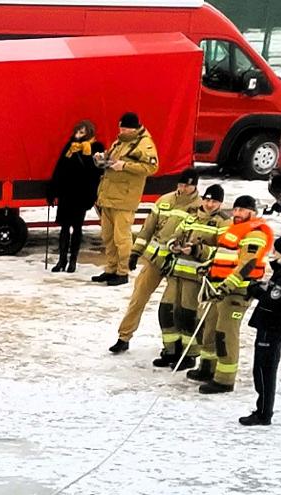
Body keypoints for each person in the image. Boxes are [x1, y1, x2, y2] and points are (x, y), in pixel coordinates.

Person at [109, 176, 202, 356]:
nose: (183, 188)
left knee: (173, 306)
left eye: (187, 185)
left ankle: (174, 346)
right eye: (181, 184)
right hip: (154, 260)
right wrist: (136, 252)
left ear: (195, 186)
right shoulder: (165, 200)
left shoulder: (200, 206)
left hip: (178, 265)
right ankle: (124, 337)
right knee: (138, 299)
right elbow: (148, 228)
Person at [195, 195, 274, 394]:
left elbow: (247, 264)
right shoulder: (233, 229)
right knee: (209, 328)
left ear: (252, 213)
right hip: (218, 289)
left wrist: (228, 285)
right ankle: (207, 367)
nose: (237, 214)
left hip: (236, 292)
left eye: (242, 210)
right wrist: (207, 267)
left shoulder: (255, 234)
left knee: (225, 334)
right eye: (235, 209)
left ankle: (224, 379)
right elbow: (222, 255)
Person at [160, 195, 228, 372]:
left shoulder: (222, 223)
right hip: (176, 273)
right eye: (207, 200)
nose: (209, 204)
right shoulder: (191, 217)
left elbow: (222, 251)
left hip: (195, 278)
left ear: (220, 203)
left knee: (187, 316)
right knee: (166, 311)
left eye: (214, 201)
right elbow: (174, 235)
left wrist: (198, 250)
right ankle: (171, 350)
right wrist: (174, 244)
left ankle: (189, 354)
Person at [240, 232, 281, 427]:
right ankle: (262, 409)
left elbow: (273, 297)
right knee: (260, 367)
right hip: (270, 323)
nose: (273, 253)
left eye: (276, 250)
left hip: (273, 324)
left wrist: (255, 290)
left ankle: (264, 413)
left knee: (265, 369)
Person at [91, 112, 157, 286]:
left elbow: (151, 167)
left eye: (126, 128)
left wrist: (125, 166)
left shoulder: (144, 144)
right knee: (107, 236)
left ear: (134, 128)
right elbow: (112, 159)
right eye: (121, 127)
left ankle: (123, 271)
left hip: (125, 197)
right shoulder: (119, 141)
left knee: (122, 238)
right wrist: (102, 159)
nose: (122, 130)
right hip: (108, 195)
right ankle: (111, 268)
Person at [45, 119, 104, 273]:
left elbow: (96, 171)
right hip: (67, 193)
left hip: (81, 194)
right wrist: (52, 190)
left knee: (77, 227)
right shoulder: (70, 147)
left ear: (88, 133)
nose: (78, 135)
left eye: (82, 132)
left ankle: (73, 261)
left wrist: (85, 154)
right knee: (64, 227)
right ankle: (62, 260)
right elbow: (60, 168)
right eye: (77, 132)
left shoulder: (96, 147)